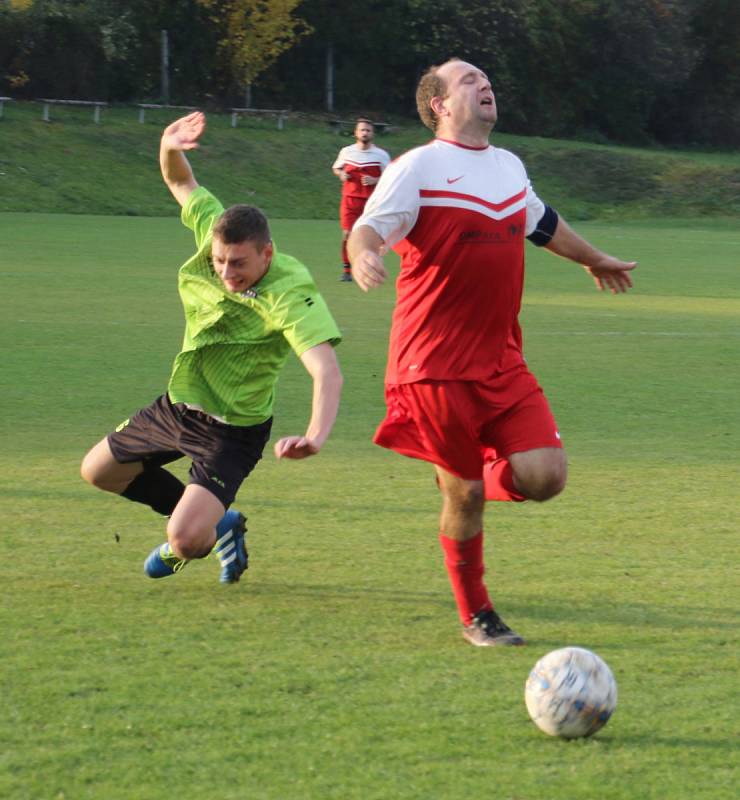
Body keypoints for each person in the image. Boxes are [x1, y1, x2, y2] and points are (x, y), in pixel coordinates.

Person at [348, 59, 636, 647]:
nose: (484, 85)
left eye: (486, 79)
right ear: (440, 106)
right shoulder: (417, 167)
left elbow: (543, 223)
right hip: (433, 364)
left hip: (502, 359)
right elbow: (368, 227)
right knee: (468, 495)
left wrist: (594, 258)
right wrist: (362, 254)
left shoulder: (508, 166)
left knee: (545, 476)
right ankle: (477, 614)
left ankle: (459, 481)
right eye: (469, 81)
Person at [81, 111, 343, 585]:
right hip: (179, 407)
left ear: (267, 253)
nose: (225, 272)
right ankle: (216, 519)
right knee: (97, 471)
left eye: (238, 263)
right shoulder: (214, 238)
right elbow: (181, 182)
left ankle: (194, 538)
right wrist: (168, 143)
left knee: (183, 542)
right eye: (219, 260)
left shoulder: (289, 292)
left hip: (232, 431)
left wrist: (315, 436)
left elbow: (326, 370)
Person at [332, 118, 390, 282]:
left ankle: (372, 268)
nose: (365, 133)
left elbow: (389, 176)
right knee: (347, 234)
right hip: (350, 201)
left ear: (372, 134)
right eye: (362, 130)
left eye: (368, 130)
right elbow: (336, 168)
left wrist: (375, 180)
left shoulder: (381, 155)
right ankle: (347, 269)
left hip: (371, 202)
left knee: (373, 236)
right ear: (356, 133)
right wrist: (341, 174)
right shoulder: (347, 152)